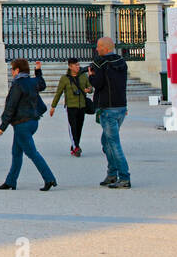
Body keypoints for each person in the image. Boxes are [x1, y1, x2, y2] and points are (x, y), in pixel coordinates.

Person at [0, 58, 57, 190]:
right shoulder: (32, 81)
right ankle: (11, 181)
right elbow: (42, 84)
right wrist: (38, 71)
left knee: (32, 153)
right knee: (16, 152)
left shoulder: (17, 84)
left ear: (17, 70)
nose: (11, 72)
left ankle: (49, 178)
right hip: (33, 121)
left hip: (21, 124)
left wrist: (3, 126)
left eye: (12, 69)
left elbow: (11, 107)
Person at [88, 37, 130, 188]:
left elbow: (98, 84)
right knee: (106, 142)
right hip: (120, 106)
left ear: (105, 48)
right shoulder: (121, 61)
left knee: (113, 143)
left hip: (107, 108)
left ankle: (124, 177)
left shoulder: (100, 63)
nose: (97, 49)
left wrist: (91, 76)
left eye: (99, 46)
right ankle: (112, 174)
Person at [50, 58, 91, 157]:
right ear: (70, 66)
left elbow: (90, 87)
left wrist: (89, 90)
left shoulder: (83, 76)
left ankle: (75, 146)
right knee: (73, 127)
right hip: (71, 106)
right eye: (75, 65)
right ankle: (76, 147)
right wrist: (53, 106)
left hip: (82, 106)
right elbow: (58, 93)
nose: (78, 67)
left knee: (79, 127)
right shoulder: (64, 78)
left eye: (78, 65)